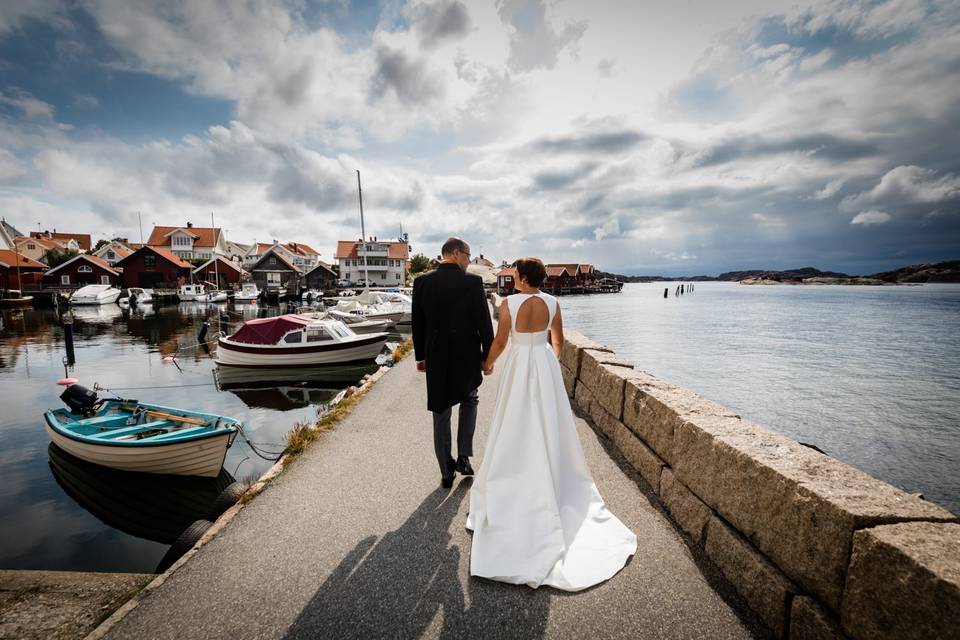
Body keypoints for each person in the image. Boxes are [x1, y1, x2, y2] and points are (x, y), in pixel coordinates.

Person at [466, 257, 637, 591]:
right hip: (543, 363)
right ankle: (550, 471)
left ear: (525, 277)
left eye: (515, 273)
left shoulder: (508, 303)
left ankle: (516, 468)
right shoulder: (553, 302)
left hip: (518, 363)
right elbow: (557, 340)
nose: (511, 276)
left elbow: (501, 341)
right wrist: (549, 364)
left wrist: (488, 364)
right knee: (549, 420)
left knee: (513, 420)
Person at [412, 237, 494, 488]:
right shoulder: (472, 282)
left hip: (436, 357)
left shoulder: (422, 281)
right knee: (469, 400)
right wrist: (487, 358)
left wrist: (420, 357)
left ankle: (446, 470)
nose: (469, 261)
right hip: (467, 356)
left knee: (441, 411)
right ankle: (463, 458)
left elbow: (418, 323)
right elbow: (484, 324)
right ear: (456, 253)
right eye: (468, 256)